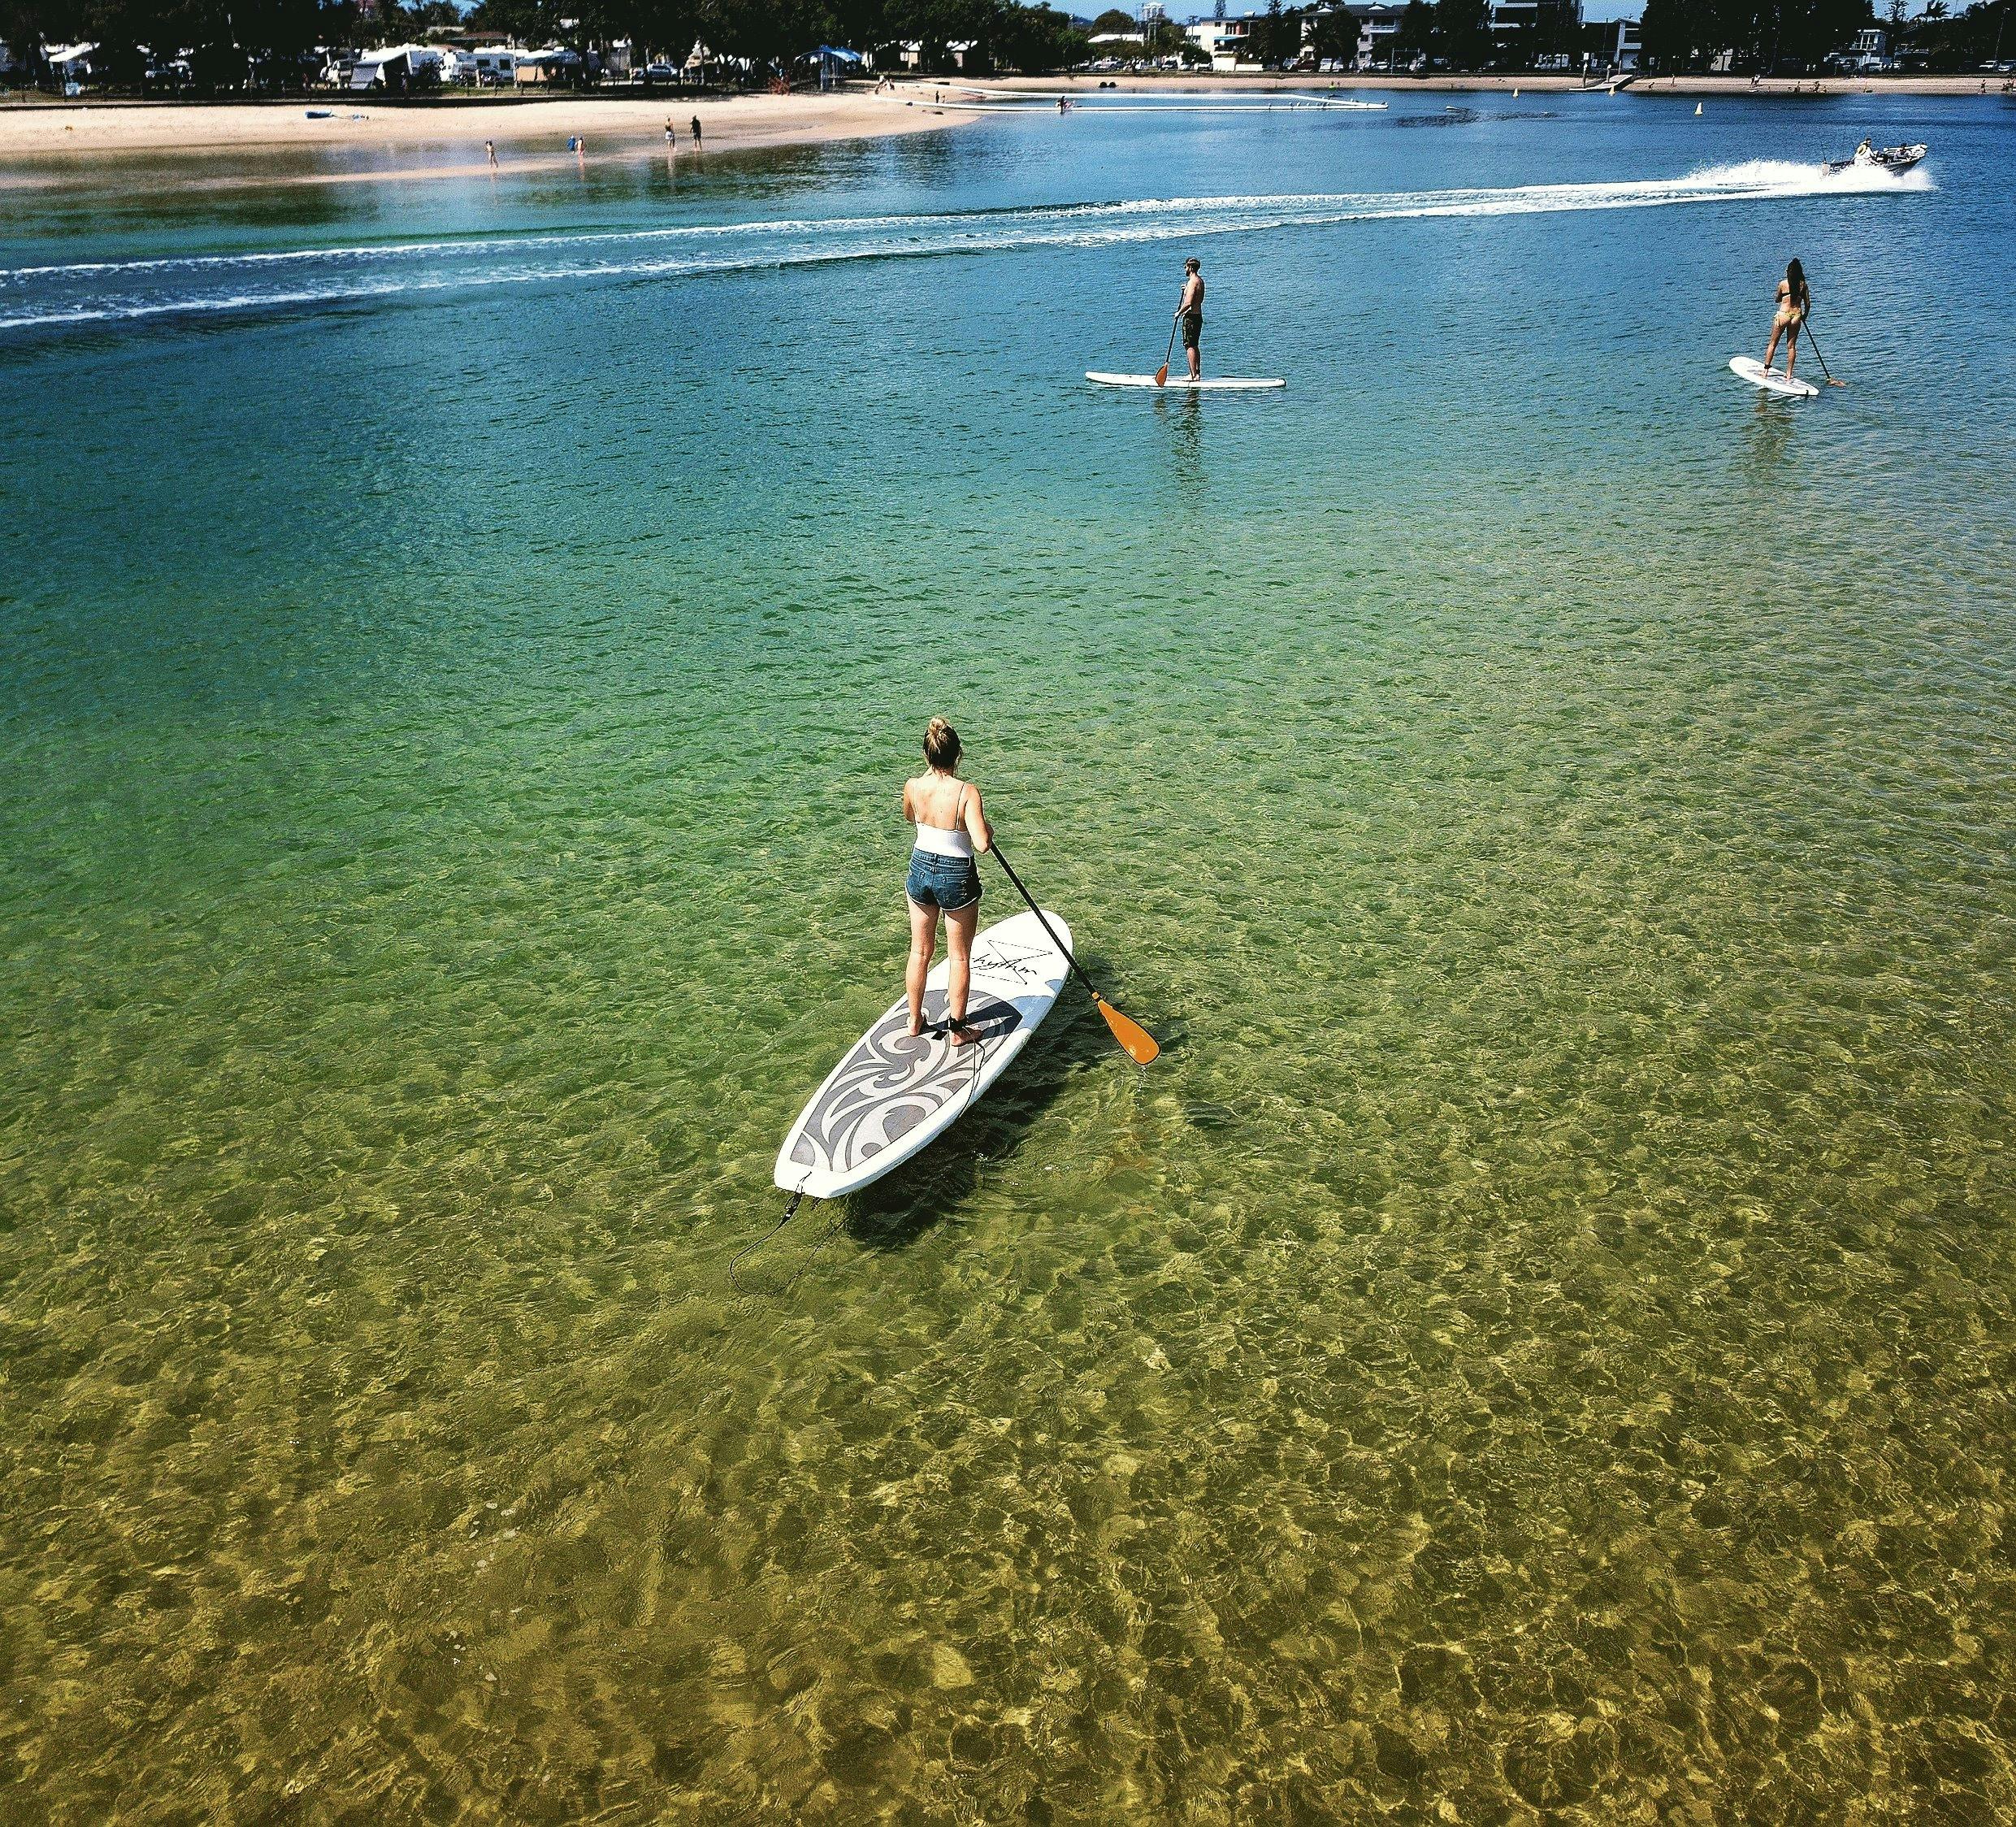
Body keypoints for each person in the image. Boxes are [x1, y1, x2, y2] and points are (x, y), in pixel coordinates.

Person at [902, 718, 992, 1046]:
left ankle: (914, 1020)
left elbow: (911, 816)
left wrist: (929, 774)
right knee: (959, 957)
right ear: (958, 756)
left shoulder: (913, 786)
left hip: (920, 867)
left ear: (927, 756)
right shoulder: (967, 792)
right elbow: (982, 844)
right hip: (956, 874)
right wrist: (987, 829)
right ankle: (958, 1030)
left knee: (920, 951)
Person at [1762, 256, 1810, 380]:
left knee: (1773, 344)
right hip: (1796, 316)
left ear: (1789, 272)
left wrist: (1782, 297)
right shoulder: (1803, 285)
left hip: (1783, 315)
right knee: (1791, 346)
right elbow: (1808, 304)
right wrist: (1804, 316)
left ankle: (1766, 371)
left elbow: (1777, 299)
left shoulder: (1783, 284)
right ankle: (1788, 375)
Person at [1175, 257, 1204, 382]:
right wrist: (1186, 290)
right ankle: (1197, 373)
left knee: (1189, 346)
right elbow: (1199, 298)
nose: (1185, 269)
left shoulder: (1192, 282)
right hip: (1198, 316)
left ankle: (1193, 375)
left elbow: (1188, 303)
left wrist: (1178, 313)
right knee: (1195, 345)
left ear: (1191, 268)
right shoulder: (1200, 281)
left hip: (1190, 318)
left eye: (1186, 267)